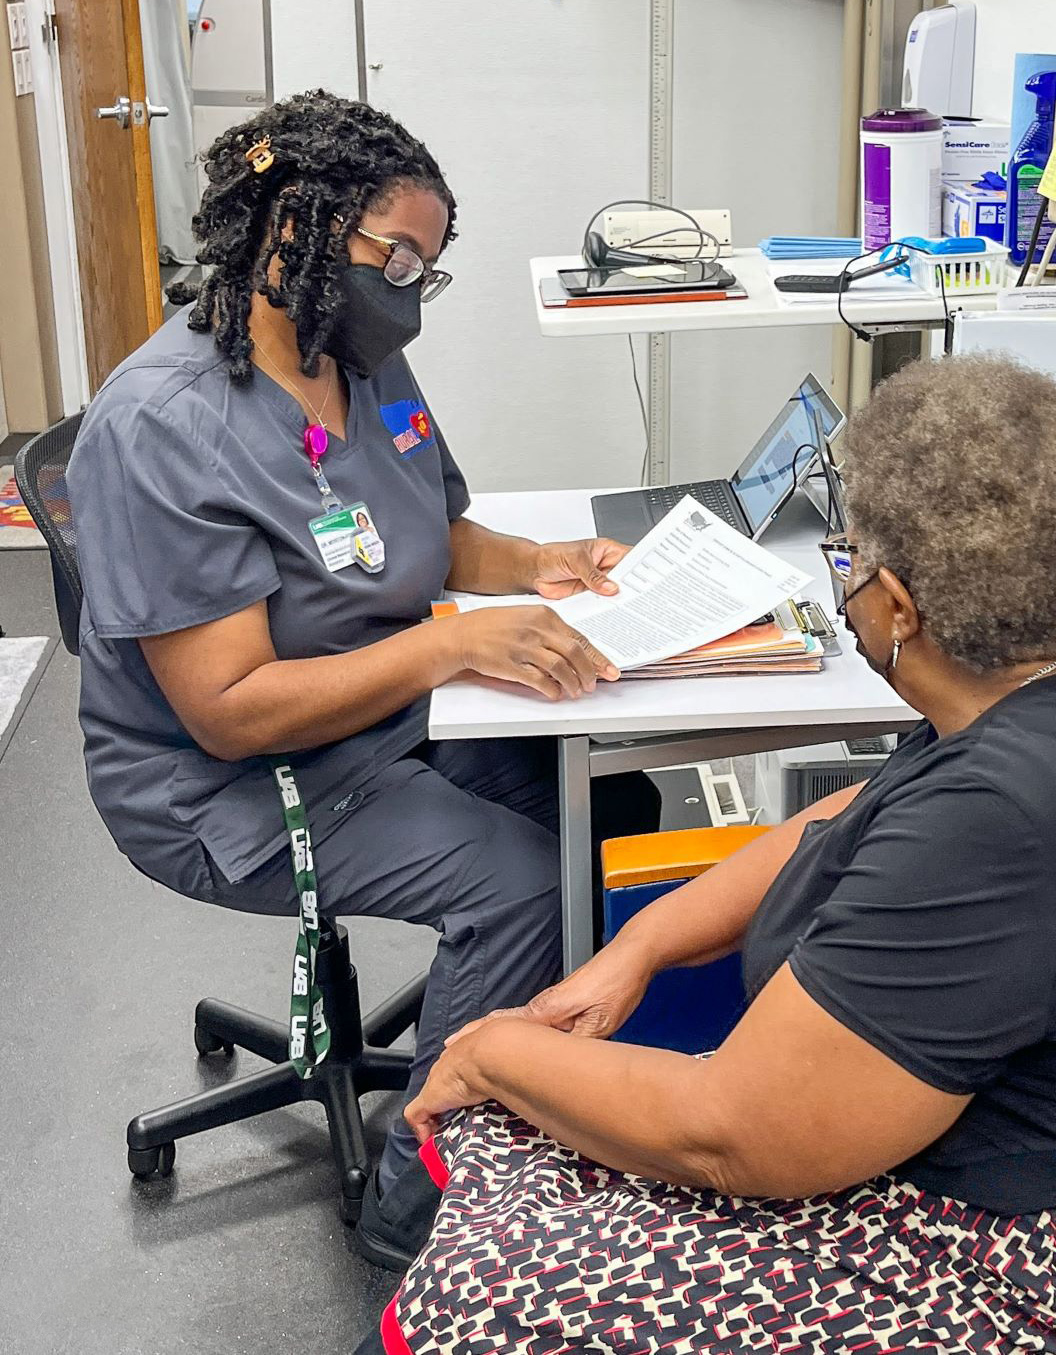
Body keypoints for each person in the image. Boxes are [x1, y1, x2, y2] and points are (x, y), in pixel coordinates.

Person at [358, 356, 1056, 1354]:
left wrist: (484, 1049)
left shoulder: (994, 819)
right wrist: (645, 943)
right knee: (524, 1169)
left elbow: (728, 1133)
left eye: (845, 555)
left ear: (900, 610)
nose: (839, 577)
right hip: (998, 1170)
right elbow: (849, 814)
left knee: (493, 1280)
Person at [66, 91, 658, 1260]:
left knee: (616, 804)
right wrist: (448, 644)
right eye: (395, 254)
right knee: (525, 884)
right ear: (294, 221)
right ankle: (417, 1214)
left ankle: (519, 1077)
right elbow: (228, 713)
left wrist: (543, 566)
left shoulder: (355, 359)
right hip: (230, 786)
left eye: (424, 268)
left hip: (379, 709)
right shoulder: (168, 424)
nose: (408, 287)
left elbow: (430, 533)